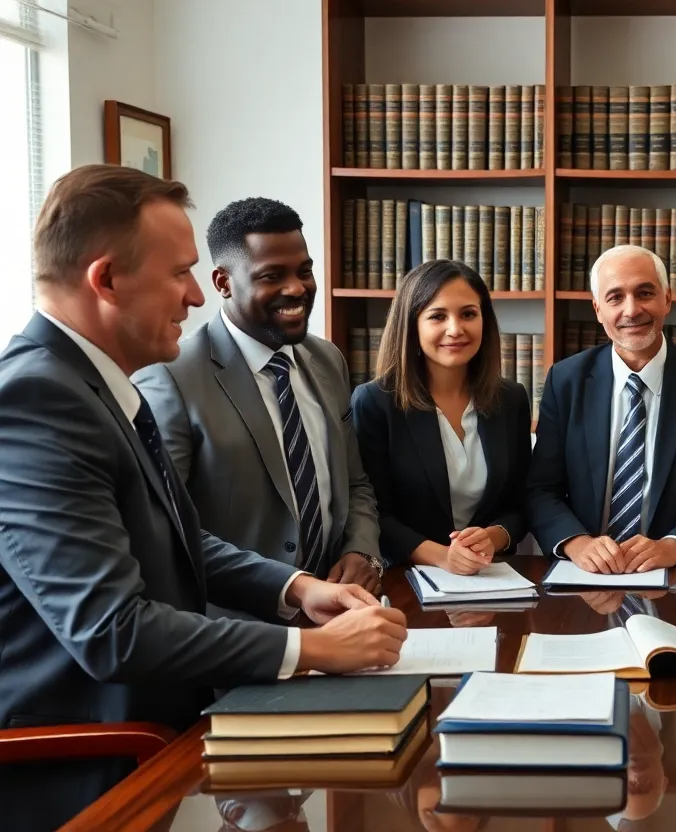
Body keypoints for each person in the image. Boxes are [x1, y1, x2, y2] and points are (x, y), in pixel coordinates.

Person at [0, 164, 406, 831]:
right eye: (179, 273)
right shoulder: (36, 400)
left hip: (166, 738)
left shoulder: (97, 383)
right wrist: (314, 650)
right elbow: (112, 631)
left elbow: (181, 541)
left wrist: (299, 589)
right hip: (91, 771)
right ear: (106, 279)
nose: (194, 297)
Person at [133, 197, 384, 606]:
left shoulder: (328, 360)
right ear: (223, 282)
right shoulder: (168, 378)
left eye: (304, 272)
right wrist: (294, 589)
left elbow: (354, 483)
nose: (296, 288)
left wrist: (361, 550)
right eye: (272, 276)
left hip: (342, 607)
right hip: (235, 622)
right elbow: (167, 527)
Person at [527, 244, 676, 572]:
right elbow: (540, 489)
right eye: (615, 297)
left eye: (645, 293)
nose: (631, 310)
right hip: (582, 577)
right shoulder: (565, 381)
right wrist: (575, 542)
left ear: (667, 298)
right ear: (598, 309)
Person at [350, 260, 532, 574]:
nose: (455, 329)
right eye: (437, 316)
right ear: (412, 324)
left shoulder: (510, 399)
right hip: (407, 578)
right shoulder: (375, 402)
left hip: (493, 578)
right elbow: (371, 512)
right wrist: (443, 556)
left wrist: (494, 537)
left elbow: (522, 503)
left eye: (468, 314)